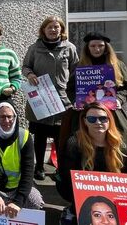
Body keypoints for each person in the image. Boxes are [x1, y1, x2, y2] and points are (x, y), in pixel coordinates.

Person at [63, 32, 127, 169]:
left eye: (100, 46)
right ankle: (84, 169)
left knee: (121, 134)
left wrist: (119, 99)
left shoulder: (118, 65)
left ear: (106, 47)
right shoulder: (80, 66)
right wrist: (76, 100)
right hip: (85, 112)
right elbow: (70, 88)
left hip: (111, 111)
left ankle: (121, 167)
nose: (97, 49)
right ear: (87, 48)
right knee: (79, 139)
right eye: (93, 46)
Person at [22, 16, 78, 180]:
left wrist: (73, 92)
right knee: (39, 136)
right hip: (41, 98)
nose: (53, 30)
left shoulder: (69, 48)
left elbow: (76, 70)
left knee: (61, 137)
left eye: (56, 27)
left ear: (61, 29)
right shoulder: (35, 48)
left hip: (62, 99)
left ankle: (61, 169)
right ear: (44, 30)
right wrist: (30, 74)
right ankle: (39, 167)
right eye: (50, 27)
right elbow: (25, 67)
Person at [0, 102, 44, 218]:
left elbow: (28, 171)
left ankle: (9, 209)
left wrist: (18, 202)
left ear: (15, 117)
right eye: (2, 117)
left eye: (9, 116)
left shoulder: (25, 136)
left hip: (18, 187)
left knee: (35, 201)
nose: (6, 121)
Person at [56, 103, 127, 204]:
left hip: (108, 189)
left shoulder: (119, 145)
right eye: (92, 119)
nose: (98, 122)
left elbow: (124, 179)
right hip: (80, 189)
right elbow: (67, 177)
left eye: (103, 119)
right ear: (85, 121)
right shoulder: (74, 143)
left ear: (110, 120)